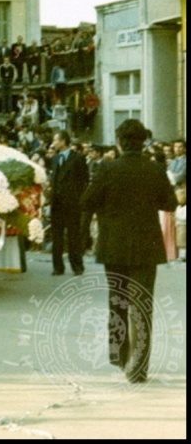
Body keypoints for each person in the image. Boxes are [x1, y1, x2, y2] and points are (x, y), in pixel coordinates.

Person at [80, 119, 178, 384]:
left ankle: (119, 357)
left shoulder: (107, 169)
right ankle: (139, 367)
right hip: (147, 245)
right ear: (143, 141)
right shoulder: (155, 169)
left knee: (117, 301)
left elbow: (87, 201)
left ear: (119, 141)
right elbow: (170, 203)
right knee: (143, 306)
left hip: (114, 245)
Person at [50, 130, 89, 276]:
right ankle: (57, 266)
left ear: (63, 141)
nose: (53, 143)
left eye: (55, 140)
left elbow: (84, 180)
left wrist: (78, 198)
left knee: (73, 236)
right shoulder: (55, 159)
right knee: (57, 237)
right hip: (57, 203)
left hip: (72, 203)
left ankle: (77, 265)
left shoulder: (77, 158)